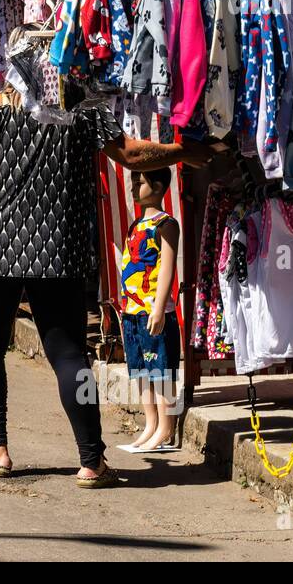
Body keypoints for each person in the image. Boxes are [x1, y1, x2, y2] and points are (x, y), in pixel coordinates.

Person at [0, 62, 211, 488]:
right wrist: (184, 152)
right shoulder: (86, 110)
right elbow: (131, 155)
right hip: (58, 248)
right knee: (70, 355)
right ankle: (92, 462)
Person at [117, 167, 182, 453]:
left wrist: (158, 307)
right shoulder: (136, 224)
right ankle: (151, 423)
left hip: (154, 311)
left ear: (157, 186)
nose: (133, 188)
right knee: (141, 370)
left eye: (139, 182)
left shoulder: (166, 224)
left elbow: (167, 267)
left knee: (161, 370)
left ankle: (165, 429)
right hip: (132, 310)